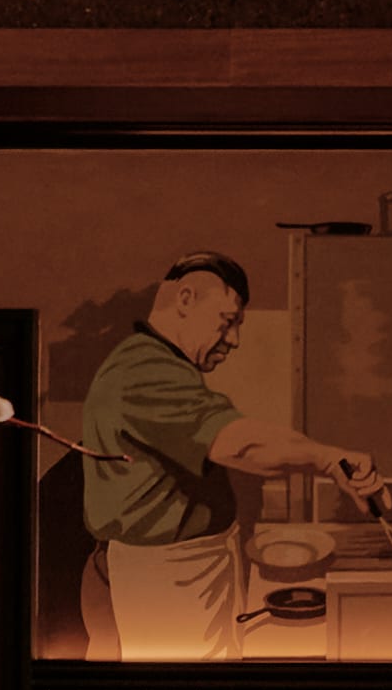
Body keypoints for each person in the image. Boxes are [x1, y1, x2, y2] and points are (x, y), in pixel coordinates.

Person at [78, 252, 375, 658]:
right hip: (165, 582)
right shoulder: (144, 373)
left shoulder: (156, 363)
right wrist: (328, 459)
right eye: (227, 320)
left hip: (179, 575)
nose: (233, 339)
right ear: (185, 299)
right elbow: (240, 444)